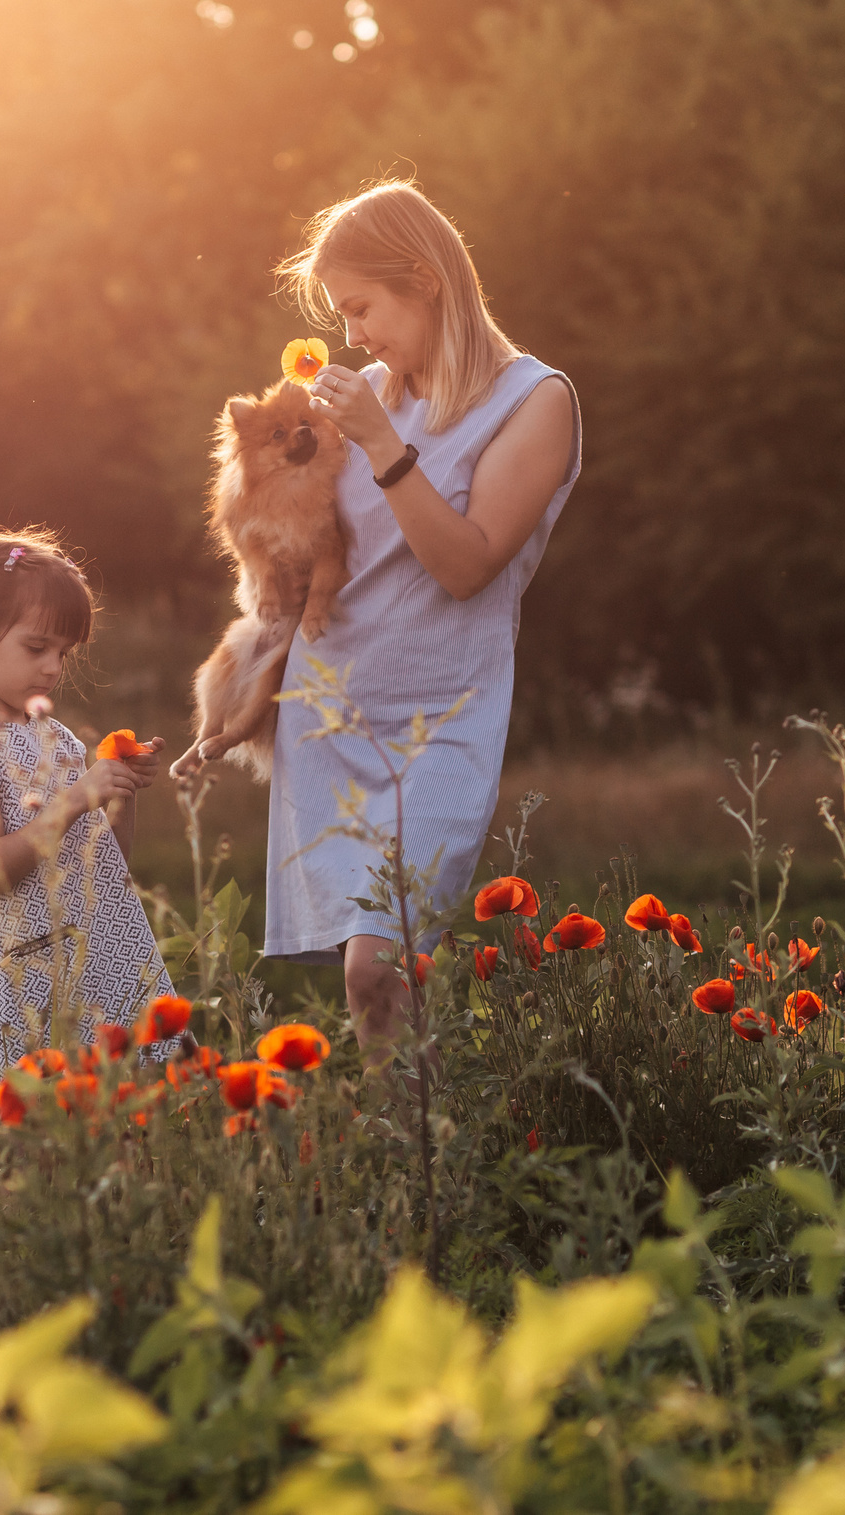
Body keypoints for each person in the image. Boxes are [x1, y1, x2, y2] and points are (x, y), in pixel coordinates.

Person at [266, 180, 583, 1070]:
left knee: (382, 966)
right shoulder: (363, 396)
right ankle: (410, 1172)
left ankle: (430, 1170)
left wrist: (381, 447)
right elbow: (308, 550)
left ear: (424, 276)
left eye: (362, 308)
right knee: (369, 981)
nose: (354, 336)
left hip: (442, 719)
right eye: (342, 316)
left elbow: (468, 564)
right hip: (332, 711)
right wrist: (246, 678)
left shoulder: (535, 400)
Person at [0, 527, 177, 1085]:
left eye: (63, 652)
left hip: (104, 965)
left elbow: (108, 862)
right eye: (36, 648)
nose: (53, 666)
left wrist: (117, 788)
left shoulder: (59, 739)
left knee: (134, 1136)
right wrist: (78, 797)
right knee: (52, 1144)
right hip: (31, 985)